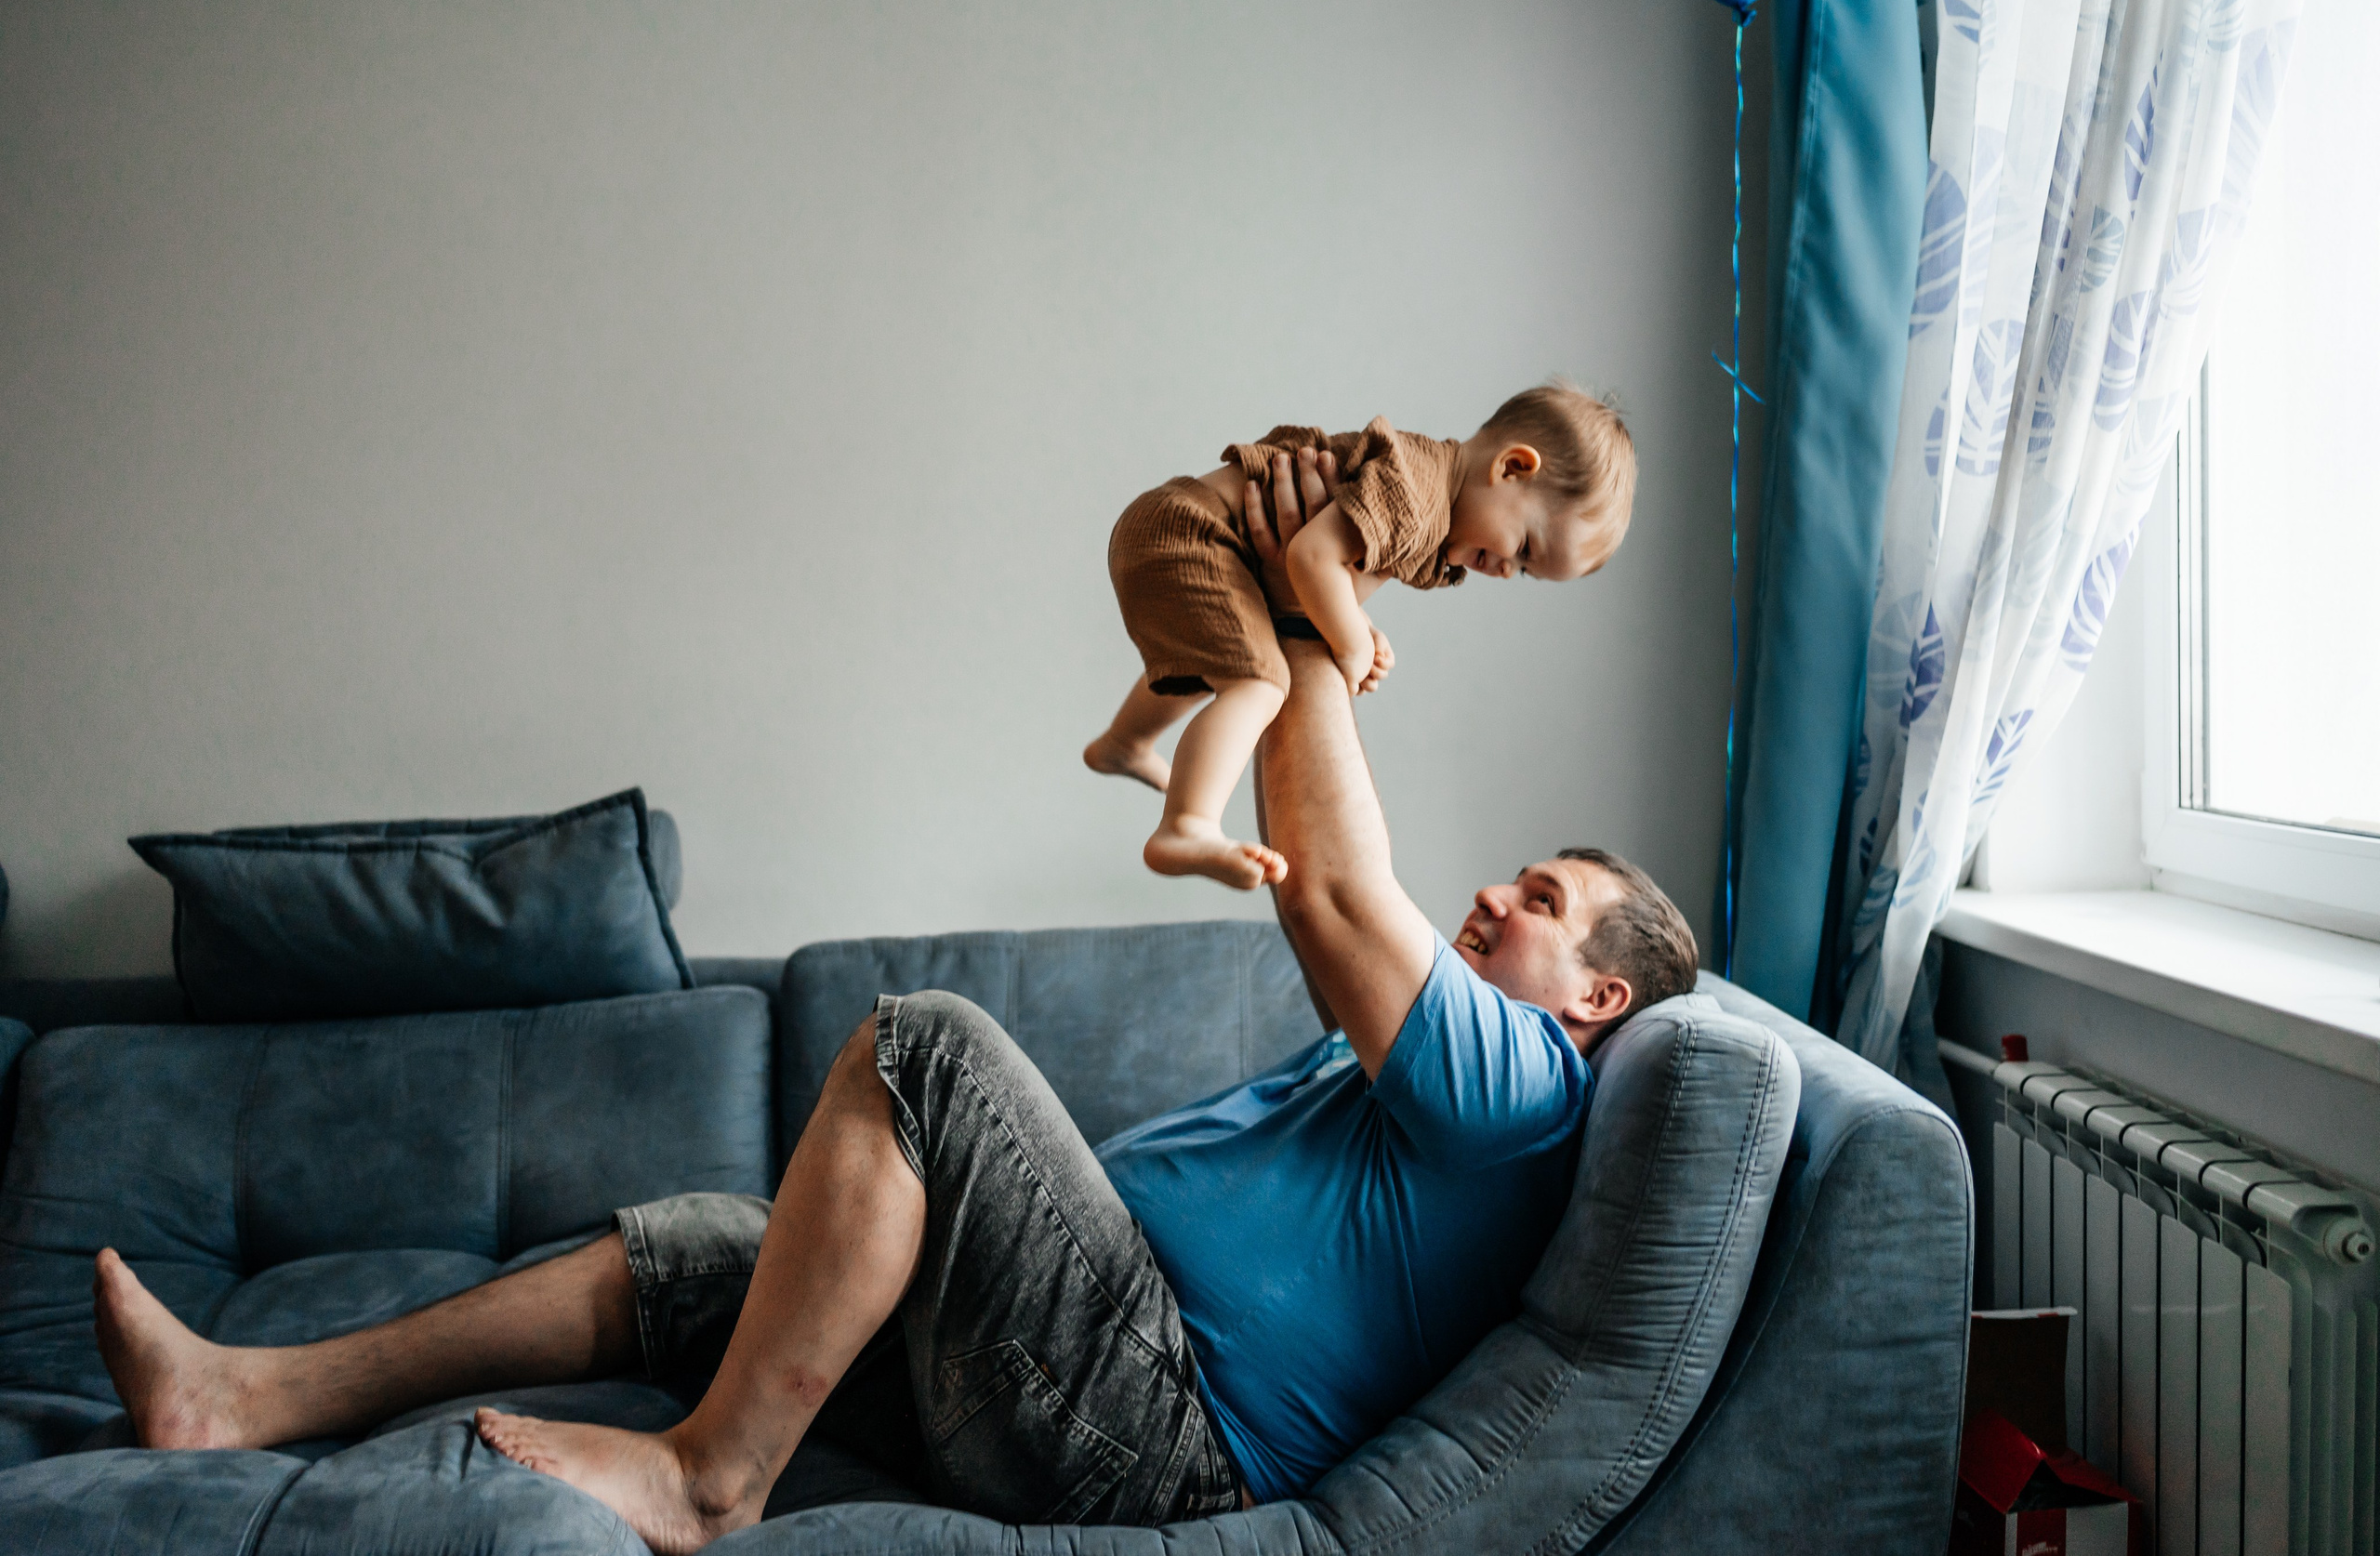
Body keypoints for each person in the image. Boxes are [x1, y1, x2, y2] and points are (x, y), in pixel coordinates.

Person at [87, 454, 1697, 1555]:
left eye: (1540, 903)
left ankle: (711, 1480)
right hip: (1068, 1371)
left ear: (1600, 992)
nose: (1496, 897)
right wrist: (1285, 599)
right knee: (713, 1246)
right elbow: (1330, 888)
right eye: (1514, 877)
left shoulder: (1527, 1087)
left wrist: (1319, 584)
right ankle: (244, 1393)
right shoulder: (1424, 1077)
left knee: (926, 1045)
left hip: (1151, 1432)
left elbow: (1343, 885)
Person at [1085, 379, 1636, 889]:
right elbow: (1311, 555)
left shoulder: (1433, 513)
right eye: (1524, 550)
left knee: (1222, 666)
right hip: (1191, 530)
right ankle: (1187, 824)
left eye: (1524, 574)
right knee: (1258, 685)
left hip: (1182, 530)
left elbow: (1332, 572)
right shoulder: (1417, 491)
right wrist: (1350, 643)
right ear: (1512, 468)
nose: (1505, 571)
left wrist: (1357, 624)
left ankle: (1124, 743)